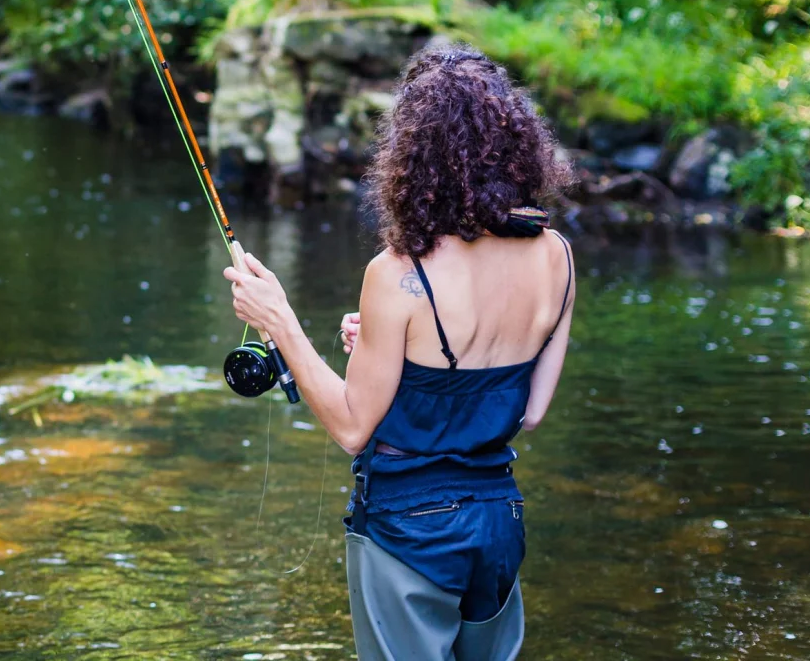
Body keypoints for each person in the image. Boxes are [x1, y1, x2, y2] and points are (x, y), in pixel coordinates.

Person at [224, 44, 576, 661]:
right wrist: (411, 374)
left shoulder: (399, 273)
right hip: (498, 522)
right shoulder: (557, 256)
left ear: (414, 153)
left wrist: (280, 322)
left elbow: (354, 428)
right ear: (516, 142)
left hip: (409, 530)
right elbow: (529, 411)